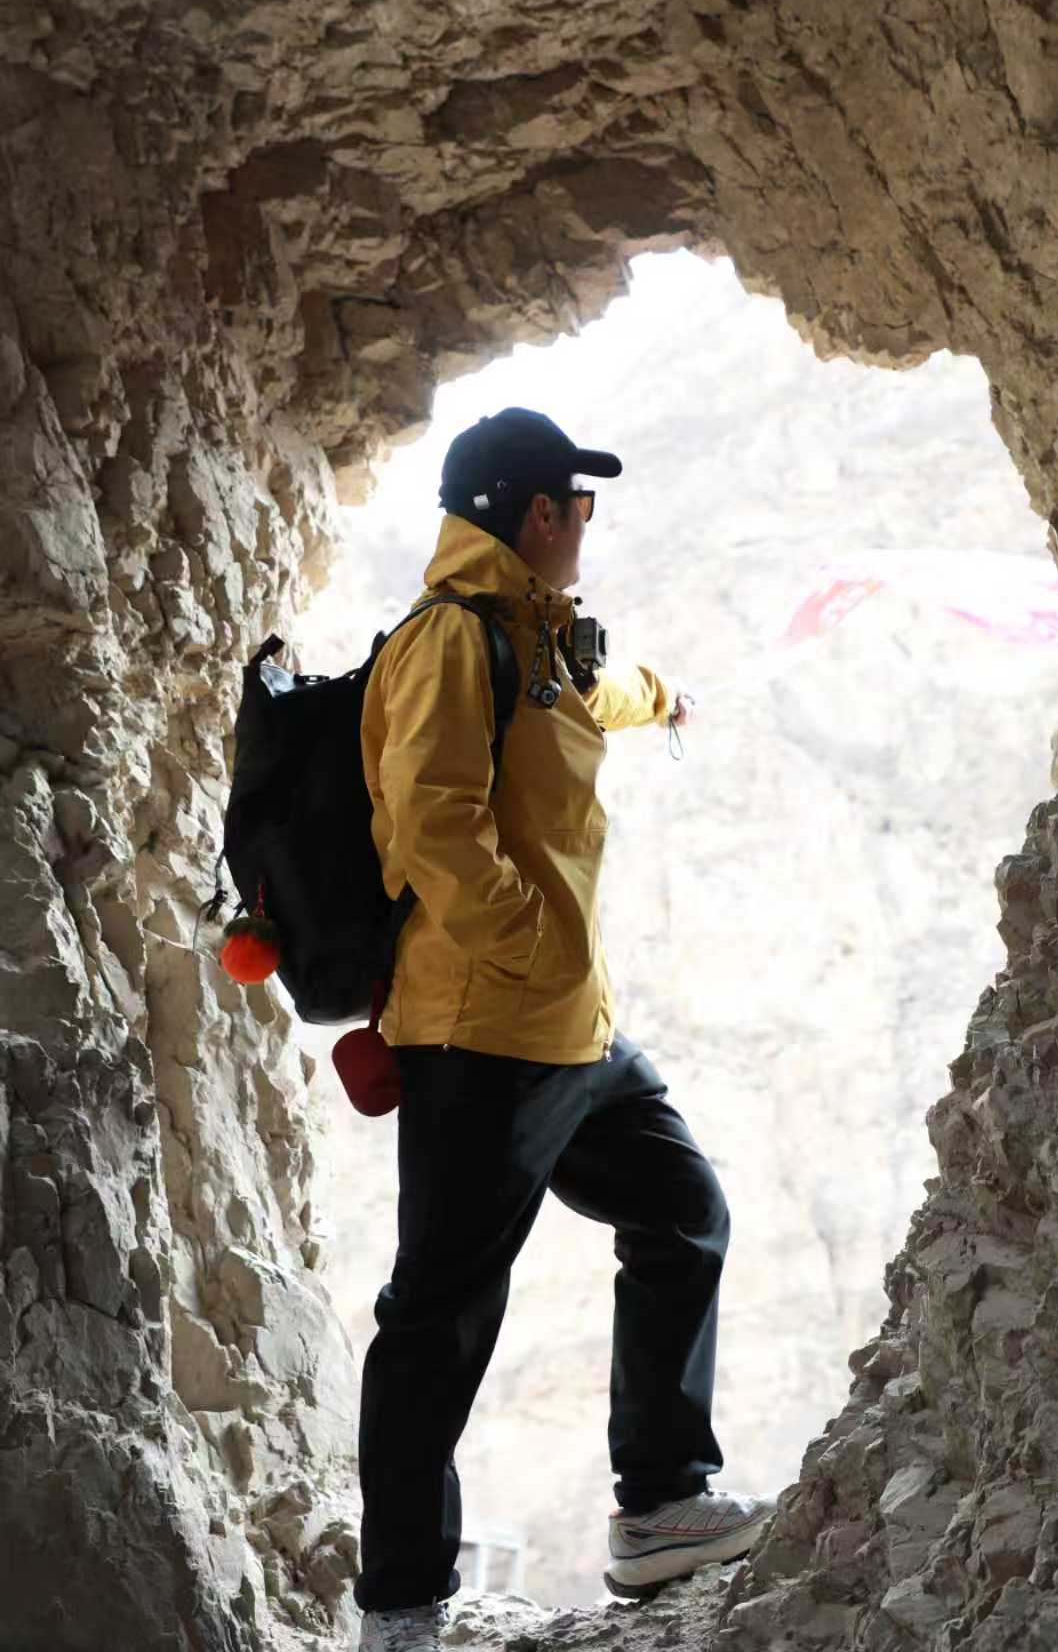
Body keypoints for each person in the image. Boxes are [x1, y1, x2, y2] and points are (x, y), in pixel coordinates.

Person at [353, 407, 773, 1651]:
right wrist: (535, 945)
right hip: (482, 1030)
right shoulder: (448, 639)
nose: (585, 522)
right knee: (439, 1316)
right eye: (577, 504)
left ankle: (658, 1506)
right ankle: (400, 1608)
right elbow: (432, 821)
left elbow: (594, 692)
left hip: (568, 1032)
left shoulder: (533, 635)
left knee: (682, 1210)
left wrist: (666, 697)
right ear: (536, 514)